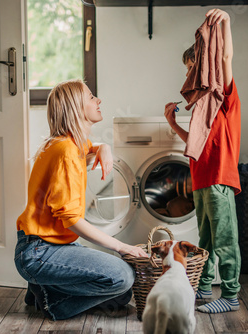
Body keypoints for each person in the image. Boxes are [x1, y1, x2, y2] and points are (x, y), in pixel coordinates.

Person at [14, 79, 148, 321]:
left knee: (121, 296)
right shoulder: (65, 151)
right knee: (123, 278)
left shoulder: (68, 143)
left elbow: (90, 146)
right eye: (91, 97)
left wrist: (103, 146)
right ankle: (52, 302)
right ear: (76, 108)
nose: (98, 101)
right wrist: (122, 246)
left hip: (49, 246)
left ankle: (40, 289)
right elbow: (72, 221)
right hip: (39, 252)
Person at [164, 8, 242, 314]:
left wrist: (226, 23)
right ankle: (204, 287)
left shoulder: (224, 100)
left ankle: (232, 295)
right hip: (201, 180)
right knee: (206, 241)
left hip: (219, 179)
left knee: (225, 239)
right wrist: (173, 125)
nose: (187, 75)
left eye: (191, 68)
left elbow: (225, 59)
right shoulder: (200, 111)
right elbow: (197, 145)